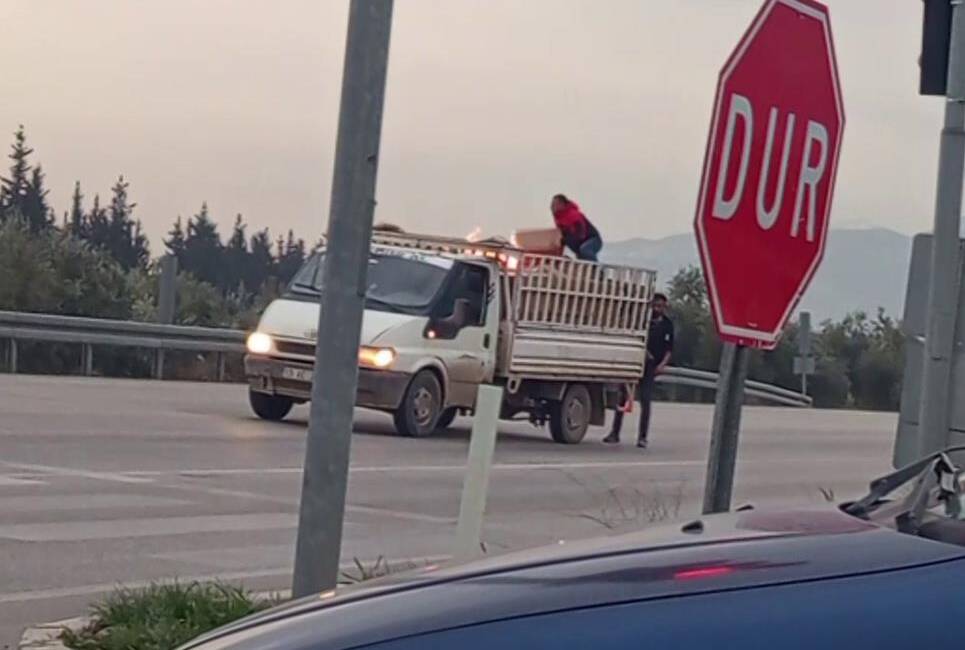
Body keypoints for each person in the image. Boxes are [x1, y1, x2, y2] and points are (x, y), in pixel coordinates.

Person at [604, 292, 674, 449]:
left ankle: (643, 437)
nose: (657, 308)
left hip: (651, 367)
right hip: (636, 362)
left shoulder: (667, 325)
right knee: (623, 397)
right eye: (655, 305)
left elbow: (669, 349)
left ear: (665, 307)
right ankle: (615, 433)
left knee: (646, 400)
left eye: (660, 306)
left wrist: (662, 365)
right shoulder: (643, 322)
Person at [550, 194, 603, 261]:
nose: (552, 206)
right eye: (552, 204)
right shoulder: (558, 218)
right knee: (568, 242)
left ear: (562, 204)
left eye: (555, 204)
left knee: (584, 249)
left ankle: (596, 269)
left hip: (593, 240)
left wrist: (572, 239)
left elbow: (581, 232)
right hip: (580, 242)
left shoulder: (573, 214)